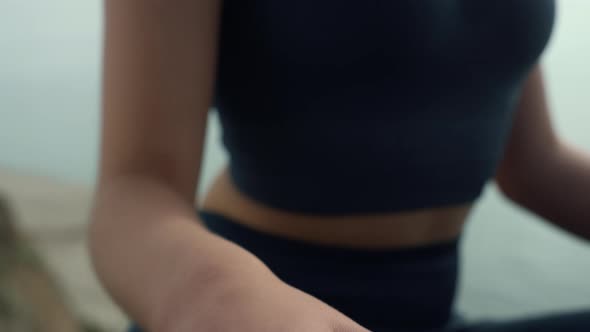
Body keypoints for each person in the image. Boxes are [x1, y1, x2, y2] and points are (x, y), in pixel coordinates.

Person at [89, 0, 590, 331]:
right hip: (256, 304)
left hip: (431, 313)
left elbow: (533, 165)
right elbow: (135, 189)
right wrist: (213, 298)